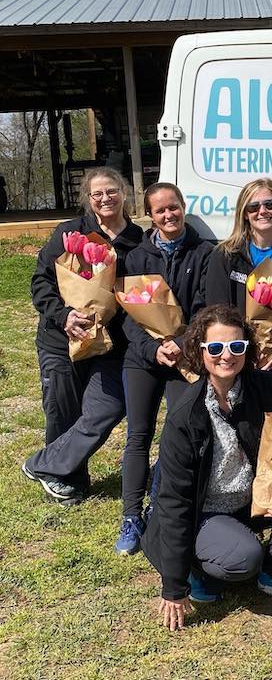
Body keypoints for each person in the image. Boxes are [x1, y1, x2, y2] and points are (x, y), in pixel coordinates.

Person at [140, 304, 272, 631]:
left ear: (246, 349)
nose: (227, 356)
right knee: (244, 557)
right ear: (200, 350)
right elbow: (176, 502)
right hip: (203, 511)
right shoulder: (185, 417)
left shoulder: (262, 387)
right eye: (216, 347)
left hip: (251, 498)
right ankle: (195, 568)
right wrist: (174, 584)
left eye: (236, 346)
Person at [22, 167, 143, 505]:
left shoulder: (138, 241)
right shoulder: (70, 233)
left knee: (108, 408)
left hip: (110, 347)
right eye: (97, 194)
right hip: (61, 341)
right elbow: (41, 282)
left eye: (112, 191)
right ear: (89, 199)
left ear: (124, 193)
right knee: (63, 409)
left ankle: (45, 465)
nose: (106, 198)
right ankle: (68, 481)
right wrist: (64, 316)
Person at [115, 182, 213, 555]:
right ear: (151, 215)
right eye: (160, 211)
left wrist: (182, 343)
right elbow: (128, 316)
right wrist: (153, 348)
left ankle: (160, 504)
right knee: (138, 435)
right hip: (144, 359)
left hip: (185, 360)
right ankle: (130, 515)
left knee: (176, 434)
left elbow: (206, 308)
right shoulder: (137, 256)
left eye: (173, 207)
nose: (168, 215)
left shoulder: (204, 252)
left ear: (183, 207)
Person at [205, 178, 272, 409]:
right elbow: (215, 314)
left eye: (270, 205)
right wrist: (243, 349)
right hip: (237, 358)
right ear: (244, 214)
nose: (262, 211)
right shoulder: (225, 255)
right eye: (254, 207)